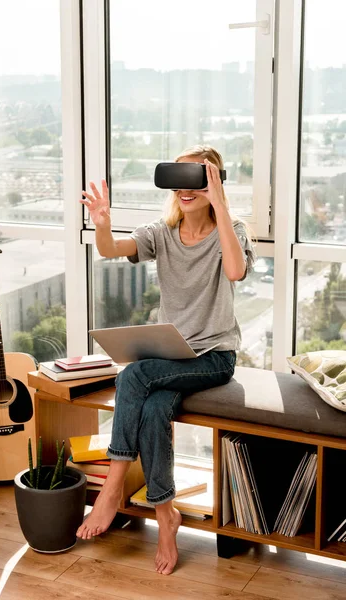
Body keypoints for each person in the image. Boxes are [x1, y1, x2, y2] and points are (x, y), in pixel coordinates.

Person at [76, 144, 255, 575]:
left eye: (195, 178)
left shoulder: (233, 229)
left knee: (133, 377)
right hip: (171, 357)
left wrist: (222, 206)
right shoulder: (162, 232)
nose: (184, 188)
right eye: (177, 178)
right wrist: (102, 224)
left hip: (214, 357)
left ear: (212, 181)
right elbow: (109, 249)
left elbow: (235, 271)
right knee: (154, 408)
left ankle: (113, 487)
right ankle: (166, 516)